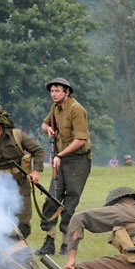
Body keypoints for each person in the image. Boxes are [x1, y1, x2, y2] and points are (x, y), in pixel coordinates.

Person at [35, 77, 92, 256]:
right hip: (62, 159)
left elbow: (81, 139)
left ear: (66, 92)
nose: (54, 94)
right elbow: (44, 124)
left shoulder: (76, 109)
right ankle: (49, 241)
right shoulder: (55, 108)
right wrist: (48, 129)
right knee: (52, 198)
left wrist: (60, 155)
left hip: (77, 160)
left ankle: (66, 245)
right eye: (52, 91)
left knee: (69, 202)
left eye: (57, 90)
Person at [0, 105, 46, 239]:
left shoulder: (17, 135)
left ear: (0, 125)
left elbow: (38, 151)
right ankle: (3, 251)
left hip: (20, 183)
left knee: (23, 225)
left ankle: (16, 248)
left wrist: (35, 171)